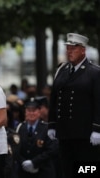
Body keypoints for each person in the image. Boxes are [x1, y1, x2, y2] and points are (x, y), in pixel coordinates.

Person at [48, 33, 100, 178]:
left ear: (83, 50)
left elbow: (98, 102)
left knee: (86, 170)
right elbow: (54, 98)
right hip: (65, 133)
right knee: (67, 170)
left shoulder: (94, 72)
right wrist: (52, 124)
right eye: (67, 48)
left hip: (86, 135)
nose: (69, 51)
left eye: (73, 48)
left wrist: (98, 128)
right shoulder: (61, 70)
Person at [15, 97, 58, 178]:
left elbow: (52, 149)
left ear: (39, 112)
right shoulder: (20, 127)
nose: (31, 113)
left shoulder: (47, 128)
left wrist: (34, 162)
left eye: (34, 110)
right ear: (25, 112)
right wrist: (23, 162)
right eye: (29, 110)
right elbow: (16, 148)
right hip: (24, 171)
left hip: (43, 171)